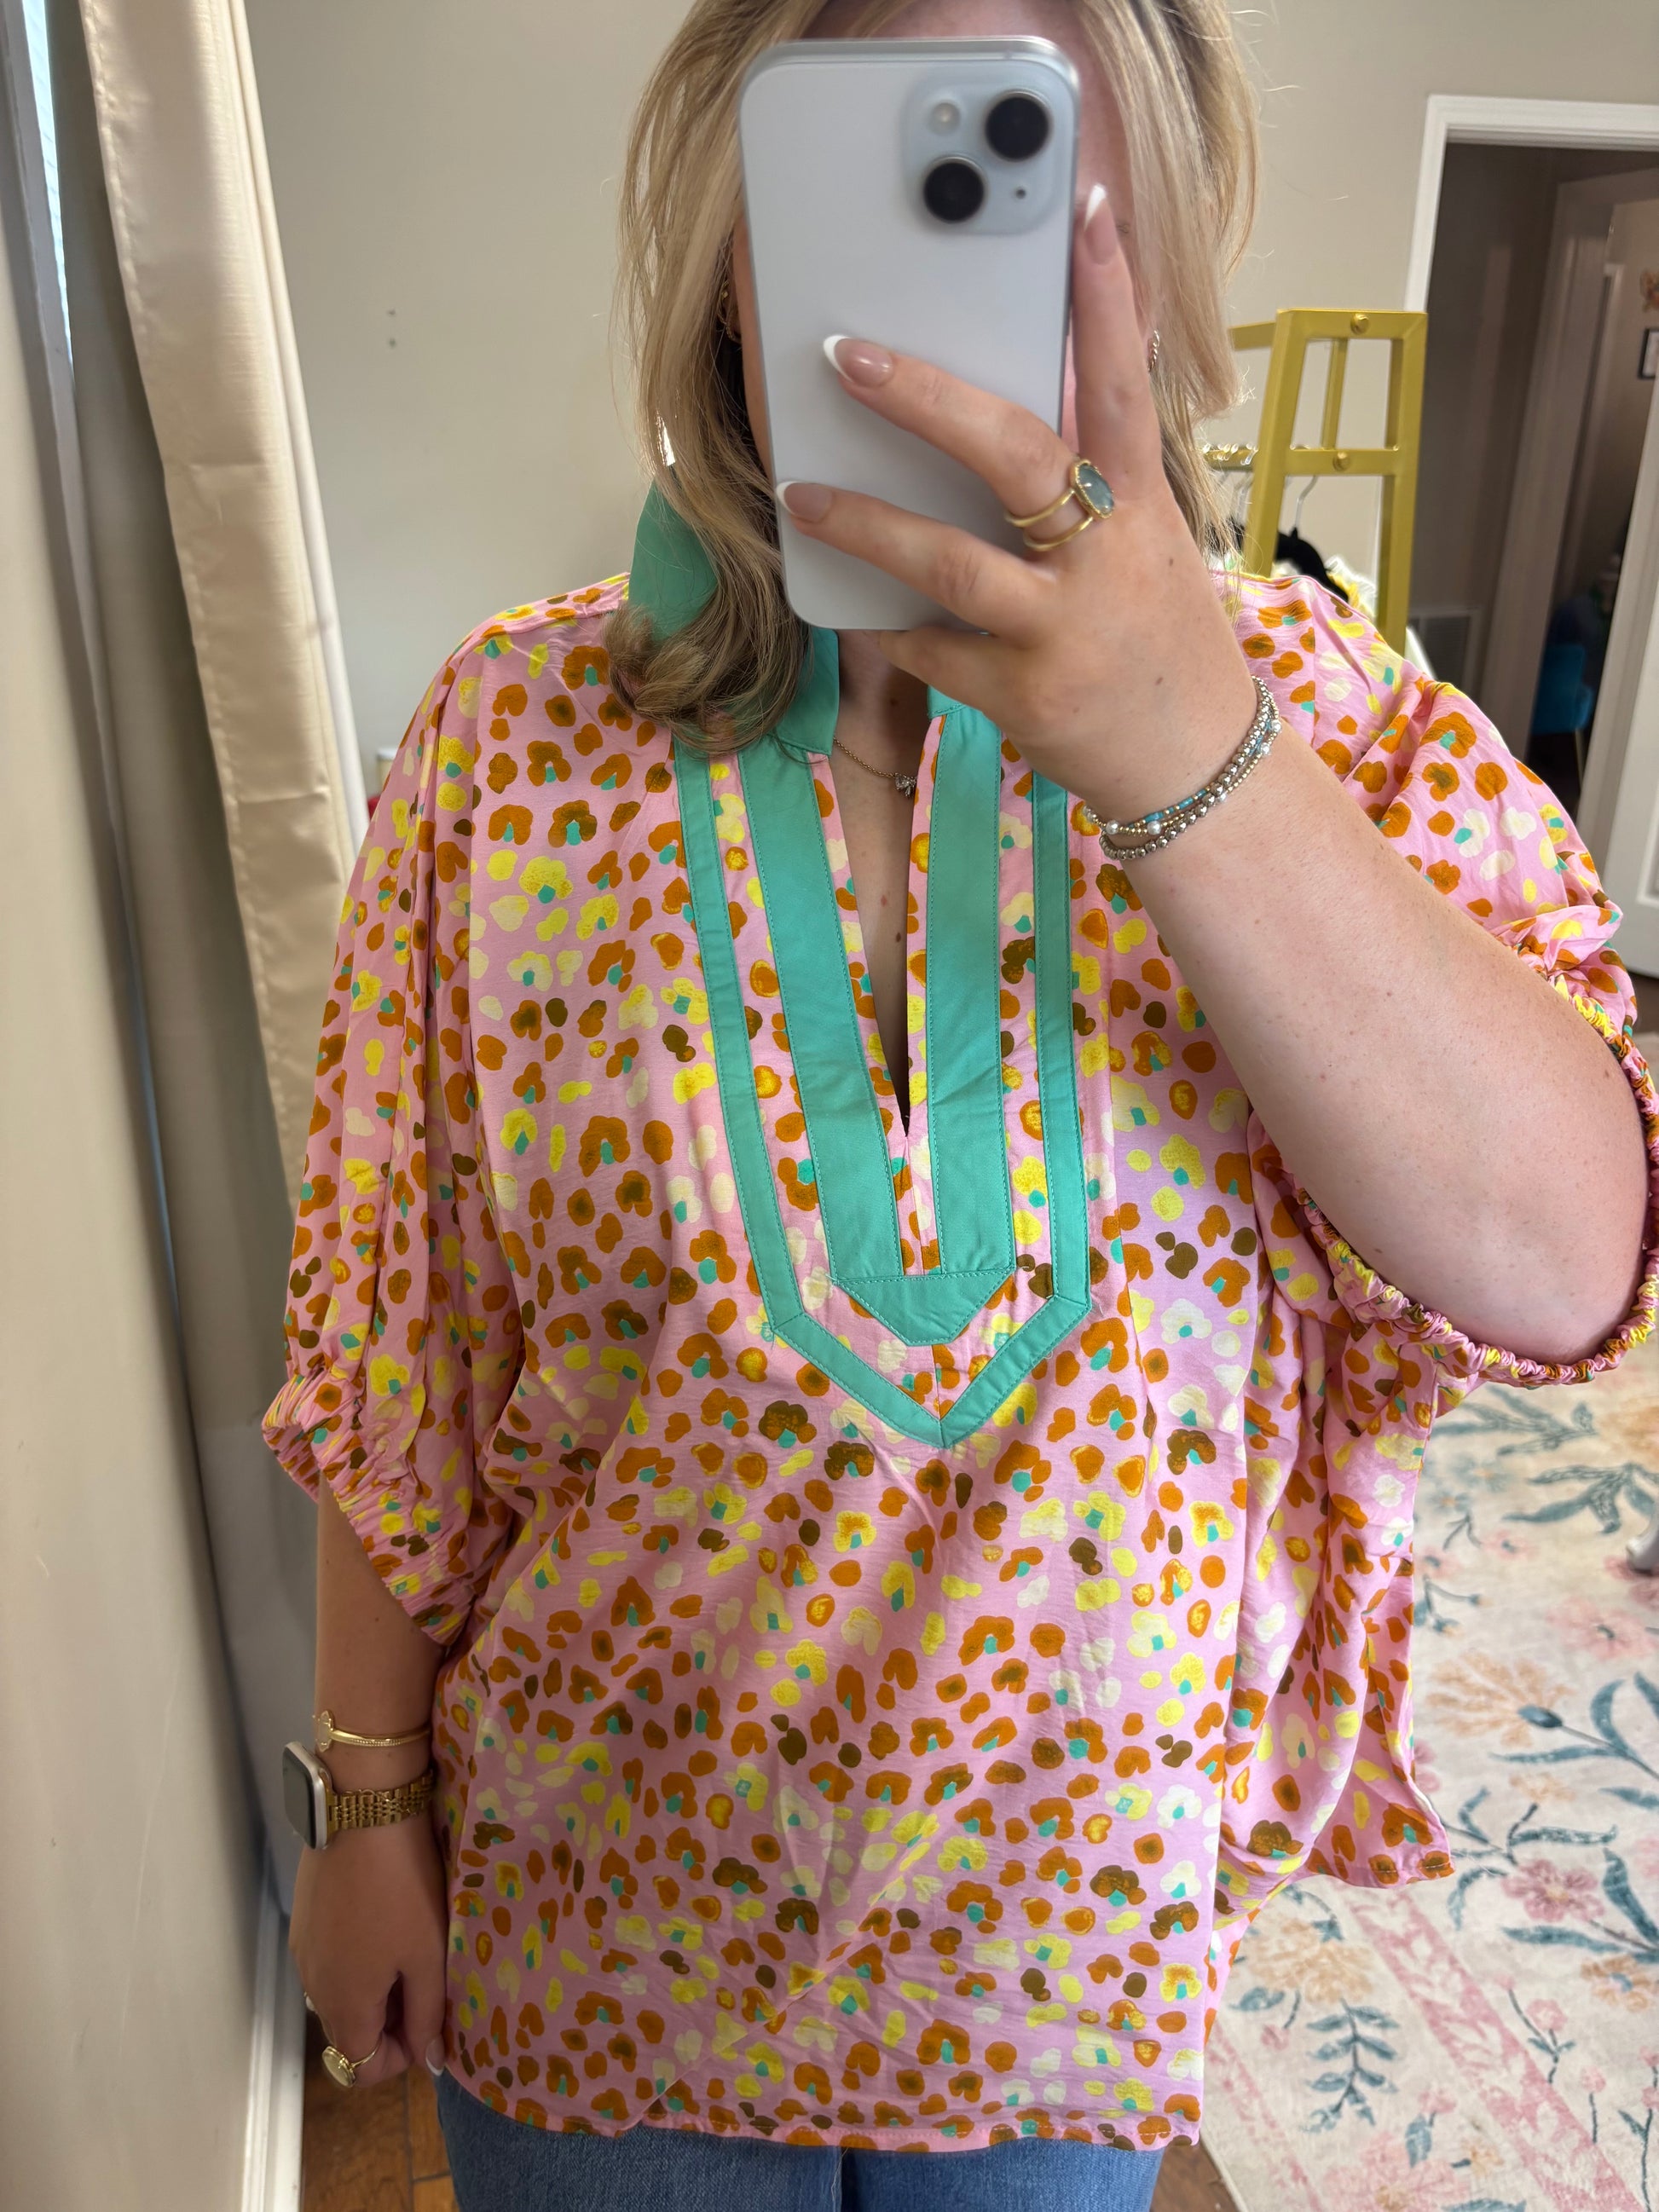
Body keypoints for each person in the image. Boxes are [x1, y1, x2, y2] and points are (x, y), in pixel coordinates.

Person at [263, 2, 1659, 2207]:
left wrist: (1188, 752)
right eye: (852, 183)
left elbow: (1568, 1260)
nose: (923, 295)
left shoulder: (1331, 734)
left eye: (1009, 186)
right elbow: (395, 1338)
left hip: (1057, 1990)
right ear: (732, 251)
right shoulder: (506, 742)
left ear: (1148, 249)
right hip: (598, 1948)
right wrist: (365, 1806)